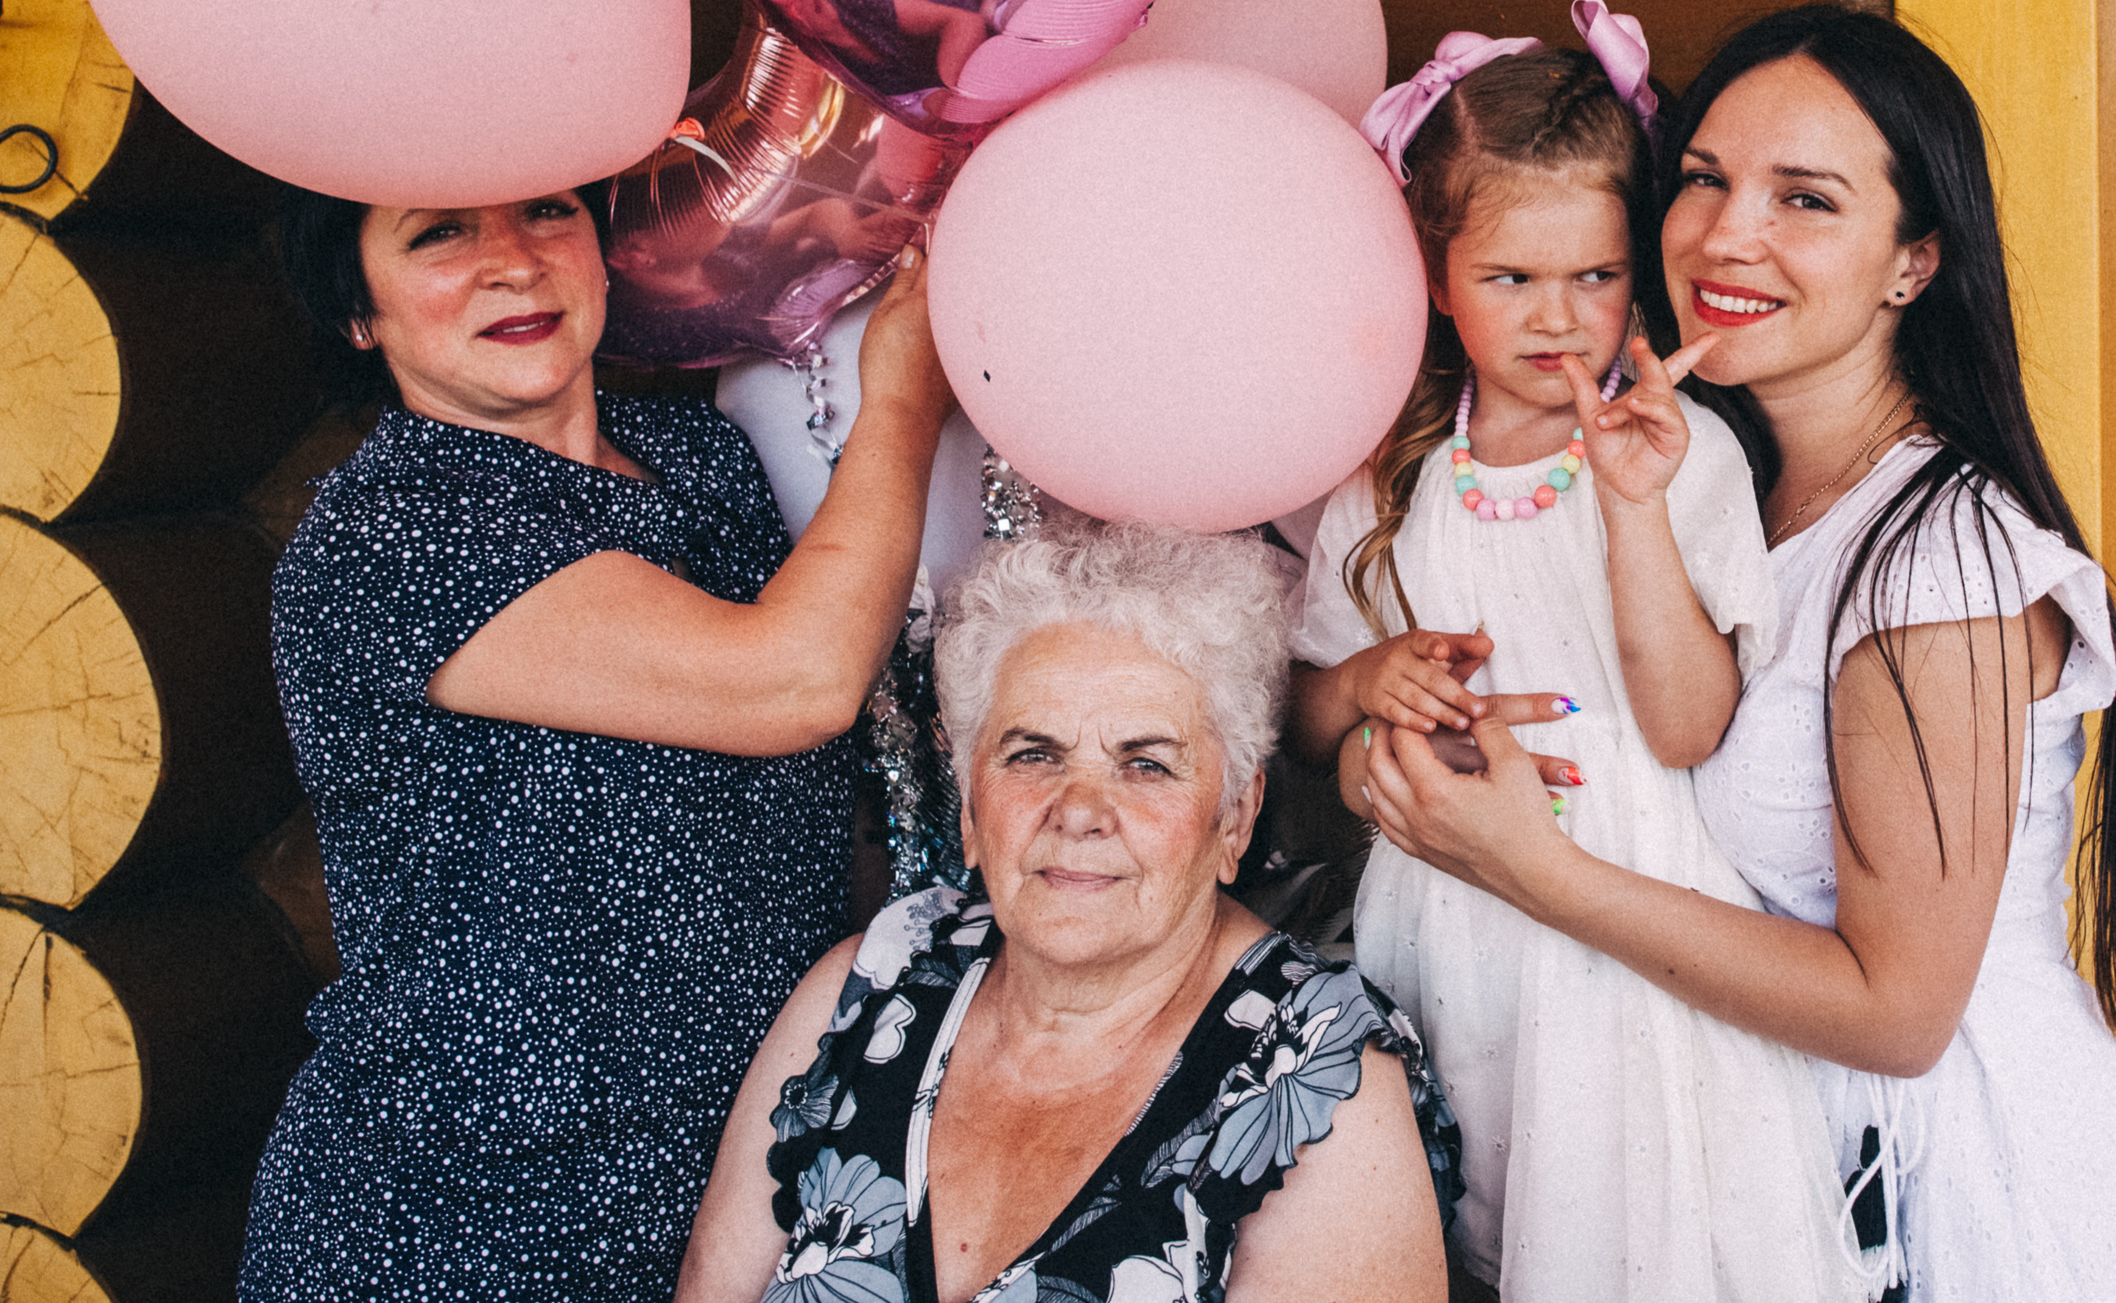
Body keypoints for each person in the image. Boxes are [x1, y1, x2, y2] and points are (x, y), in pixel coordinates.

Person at [1356, 5, 2116, 1301]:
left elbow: (1898, 1009)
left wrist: (1527, 862)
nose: (1726, 232)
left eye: (1804, 197)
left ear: (1913, 261)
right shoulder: (1729, 490)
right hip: (1791, 1194)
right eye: (1704, 177)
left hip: (1983, 1219)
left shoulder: (1944, 562)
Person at [240, 184, 952, 1302]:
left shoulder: (697, 454)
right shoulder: (388, 531)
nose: (514, 262)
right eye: (441, 233)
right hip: (463, 1213)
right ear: (358, 312)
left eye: (548, 213)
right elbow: (796, 682)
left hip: (731, 1187)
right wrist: (902, 397)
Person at [1286, 1, 1866, 1302]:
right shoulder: (1385, 480)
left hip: (1622, 917)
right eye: (1511, 279)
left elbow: (1685, 724)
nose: (1561, 319)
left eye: (1596, 276)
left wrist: (1634, 510)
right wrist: (1364, 685)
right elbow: (1304, 721)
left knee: (1623, 1223)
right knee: (1464, 1221)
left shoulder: (1682, 452)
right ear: (1435, 275)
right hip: (1443, 915)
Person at [678, 523, 1461, 1303]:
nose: (1080, 810)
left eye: (1146, 763)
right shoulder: (875, 979)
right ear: (971, 810)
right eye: (1033, 754)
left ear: (1236, 818)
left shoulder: (1320, 1079)